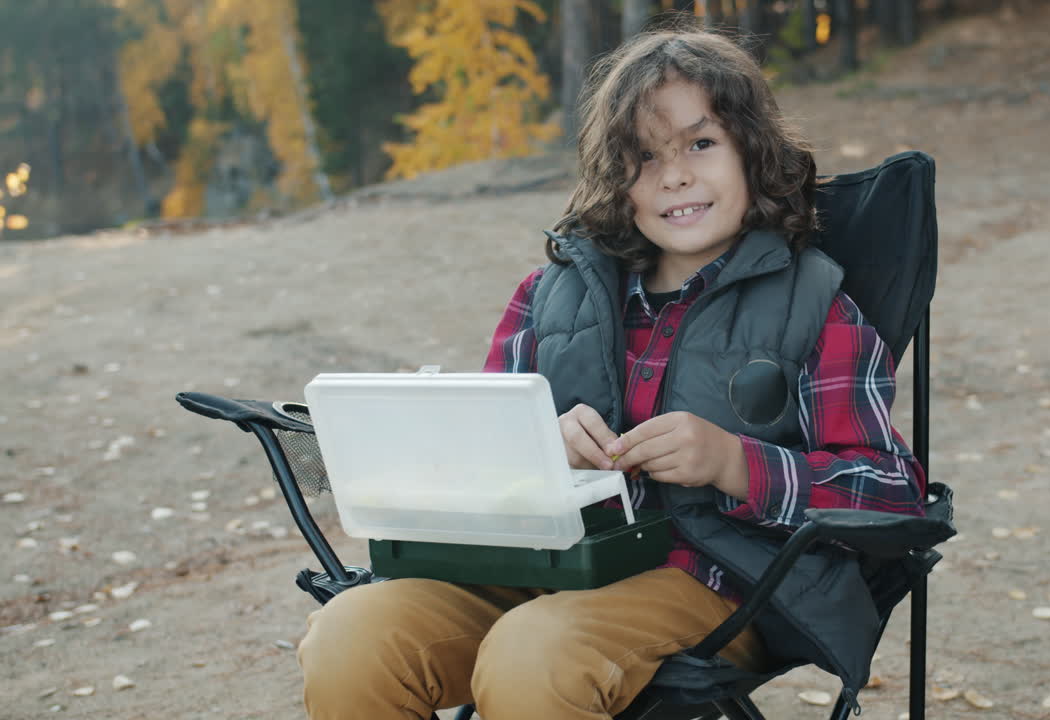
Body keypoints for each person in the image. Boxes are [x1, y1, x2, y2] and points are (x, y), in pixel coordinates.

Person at [297, 27, 925, 720]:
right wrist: (537, 453)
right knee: (350, 637)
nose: (675, 175)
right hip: (540, 567)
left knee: (533, 657)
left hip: (716, 583)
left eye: (701, 143)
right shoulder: (550, 296)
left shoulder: (813, 306)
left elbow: (893, 494)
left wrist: (733, 462)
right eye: (642, 157)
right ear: (614, 178)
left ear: (755, 150)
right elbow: (474, 472)